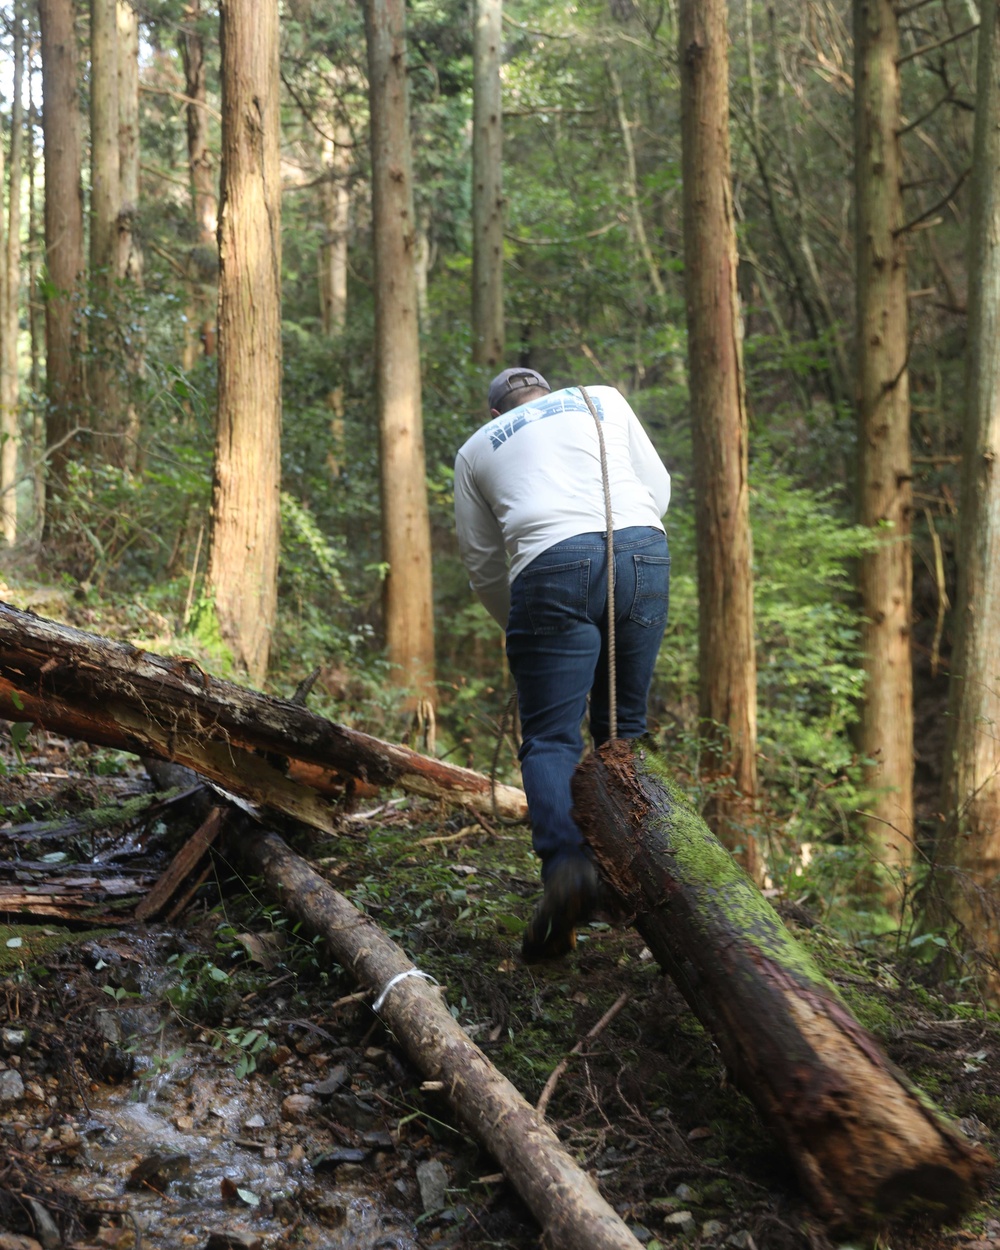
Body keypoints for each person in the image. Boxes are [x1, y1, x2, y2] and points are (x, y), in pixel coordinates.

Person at [454, 366, 672, 961]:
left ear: (499, 413)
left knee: (551, 737)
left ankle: (570, 872)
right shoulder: (599, 400)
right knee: (622, 732)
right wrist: (635, 551)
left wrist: (522, 626)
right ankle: (646, 887)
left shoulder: (477, 448)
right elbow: (658, 485)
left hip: (549, 566)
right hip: (641, 549)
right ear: (545, 394)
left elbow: (481, 562)